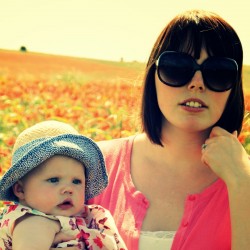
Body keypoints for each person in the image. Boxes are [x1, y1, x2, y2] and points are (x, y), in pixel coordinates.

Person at [86, 9, 250, 250]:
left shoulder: (244, 181)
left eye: (218, 72)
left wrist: (242, 183)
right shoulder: (92, 165)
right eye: (177, 67)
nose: (197, 83)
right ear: (154, 76)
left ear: (233, 89)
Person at [0, 120, 127, 250]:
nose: (68, 189)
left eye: (76, 181)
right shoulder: (34, 222)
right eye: (54, 180)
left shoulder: (83, 216)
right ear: (20, 189)